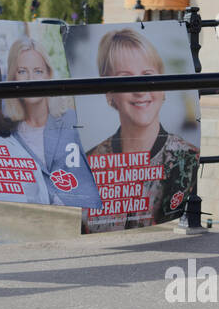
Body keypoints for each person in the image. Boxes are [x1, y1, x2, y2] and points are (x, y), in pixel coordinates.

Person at [84, 28, 198, 230]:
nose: (139, 89)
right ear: (109, 92)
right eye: (125, 78)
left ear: (163, 87)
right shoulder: (90, 162)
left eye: (148, 75)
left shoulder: (186, 158)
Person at [4, 36, 100, 208]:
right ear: (13, 77)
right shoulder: (7, 132)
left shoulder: (72, 120)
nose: (30, 79)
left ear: (49, 75)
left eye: (38, 71)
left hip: (77, 218)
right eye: (22, 71)